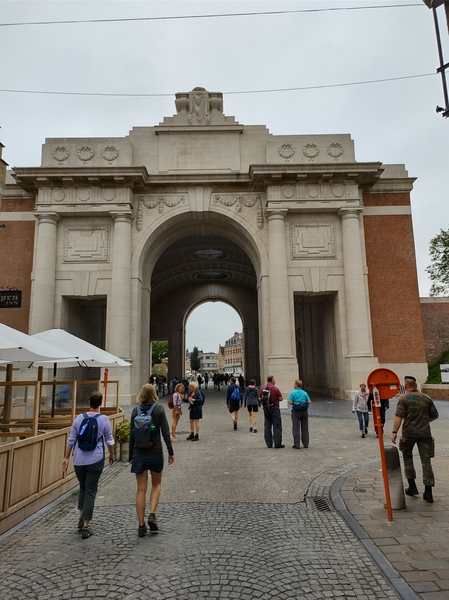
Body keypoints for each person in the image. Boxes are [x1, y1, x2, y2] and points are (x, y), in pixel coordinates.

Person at [60, 391, 115, 539]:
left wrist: (66, 458)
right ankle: (85, 525)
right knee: (91, 490)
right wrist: (112, 454)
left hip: (78, 460)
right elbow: (109, 440)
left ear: (89, 403)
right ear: (101, 404)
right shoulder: (103, 419)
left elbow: (71, 440)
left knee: (83, 487)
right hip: (95, 459)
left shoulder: (79, 418)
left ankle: (80, 516)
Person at [129, 383, 174, 537]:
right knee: (156, 483)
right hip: (155, 452)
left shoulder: (135, 410)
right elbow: (166, 433)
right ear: (155, 394)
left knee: (141, 489)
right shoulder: (159, 409)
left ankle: (141, 526)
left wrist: (130, 456)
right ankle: (152, 514)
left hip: (139, 452)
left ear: (141, 394)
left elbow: (132, 435)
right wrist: (170, 452)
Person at [391, 377, 439, 503]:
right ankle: (428, 492)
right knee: (426, 461)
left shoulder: (403, 398)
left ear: (406, 386)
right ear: (415, 385)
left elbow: (398, 416)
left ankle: (412, 487)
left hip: (409, 434)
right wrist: (425, 421)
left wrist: (394, 432)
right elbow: (435, 414)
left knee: (407, 458)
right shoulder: (426, 398)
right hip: (425, 434)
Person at [259, 375, 284, 448]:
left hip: (266, 408)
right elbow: (281, 398)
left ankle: (269, 443)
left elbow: (260, 398)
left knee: (267, 425)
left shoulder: (263, 389)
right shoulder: (275, 389)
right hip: (274, 408)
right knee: (277, 426)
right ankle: (277, 443)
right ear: (272, 380)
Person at [288, 379, 311, 448]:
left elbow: (290, 402)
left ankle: (297, 444)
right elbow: (309, 401)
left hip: (296, 411)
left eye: (294, 384)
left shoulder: (293, 393)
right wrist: (303, 403)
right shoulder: (305, 393)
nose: (293, 385)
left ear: (297, 385)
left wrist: (294, 403)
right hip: (304, 411)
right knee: (305, 427)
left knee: (296, 427)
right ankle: (306, 443)